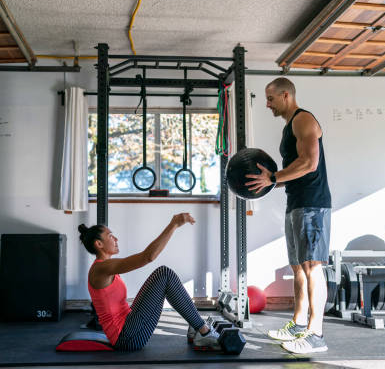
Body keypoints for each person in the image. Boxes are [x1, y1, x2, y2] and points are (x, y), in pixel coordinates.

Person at [245, 77, 331, 354]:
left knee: (312, 266)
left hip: (312, 204)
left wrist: (274, 177)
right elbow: (294, 170)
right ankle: (297, 324)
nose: (267, 104)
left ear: (285, 95)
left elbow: (309, 162)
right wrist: (270, 182)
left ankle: (316, 333)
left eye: (270, 99)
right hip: (296, 201)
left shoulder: (303, 120)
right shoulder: (288, 127)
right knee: (297, 266)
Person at [78, 213, 220, 351]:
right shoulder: (101, 268)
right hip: (126, 338)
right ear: (99, 244)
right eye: (110, 236)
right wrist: (173, 224)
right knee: (164, 275)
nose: (116, 238)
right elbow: (148, 257)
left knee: (163, 275)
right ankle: (204, 332)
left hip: (129, 326)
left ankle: (197, 327)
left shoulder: (106, 267)